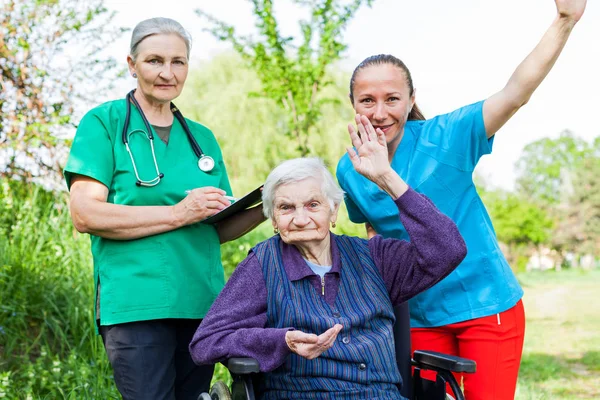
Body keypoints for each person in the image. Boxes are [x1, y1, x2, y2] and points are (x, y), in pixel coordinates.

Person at [336, 1, 587, 399]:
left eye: (392, 99)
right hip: (418, 317)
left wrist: (564, 21)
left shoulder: (448, 136)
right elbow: (373, 233)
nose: (380, 112)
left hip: (485, 307)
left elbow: (516, 93)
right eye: (367, 100)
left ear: (411, 97)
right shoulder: (349, 169)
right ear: (353, 105)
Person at [64, 17, 264, 400]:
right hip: (137, 305)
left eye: (179, 62)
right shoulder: (103, 124)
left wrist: (271, 204)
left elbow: (215, 229)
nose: (167, 73)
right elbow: (86, 215)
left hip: (201, 305)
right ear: (131, 64)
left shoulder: (201, 138)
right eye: (155, 60)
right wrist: (179, 213)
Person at [189, 139, 468, 399]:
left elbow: (448, 250)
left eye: (313, 205)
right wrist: (281, 340)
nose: (300, 219)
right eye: (286, 208)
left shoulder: (375, 256)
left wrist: (388, 179)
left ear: (333, 211)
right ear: (273, 219)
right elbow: (206, 342)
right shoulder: (262, 265)